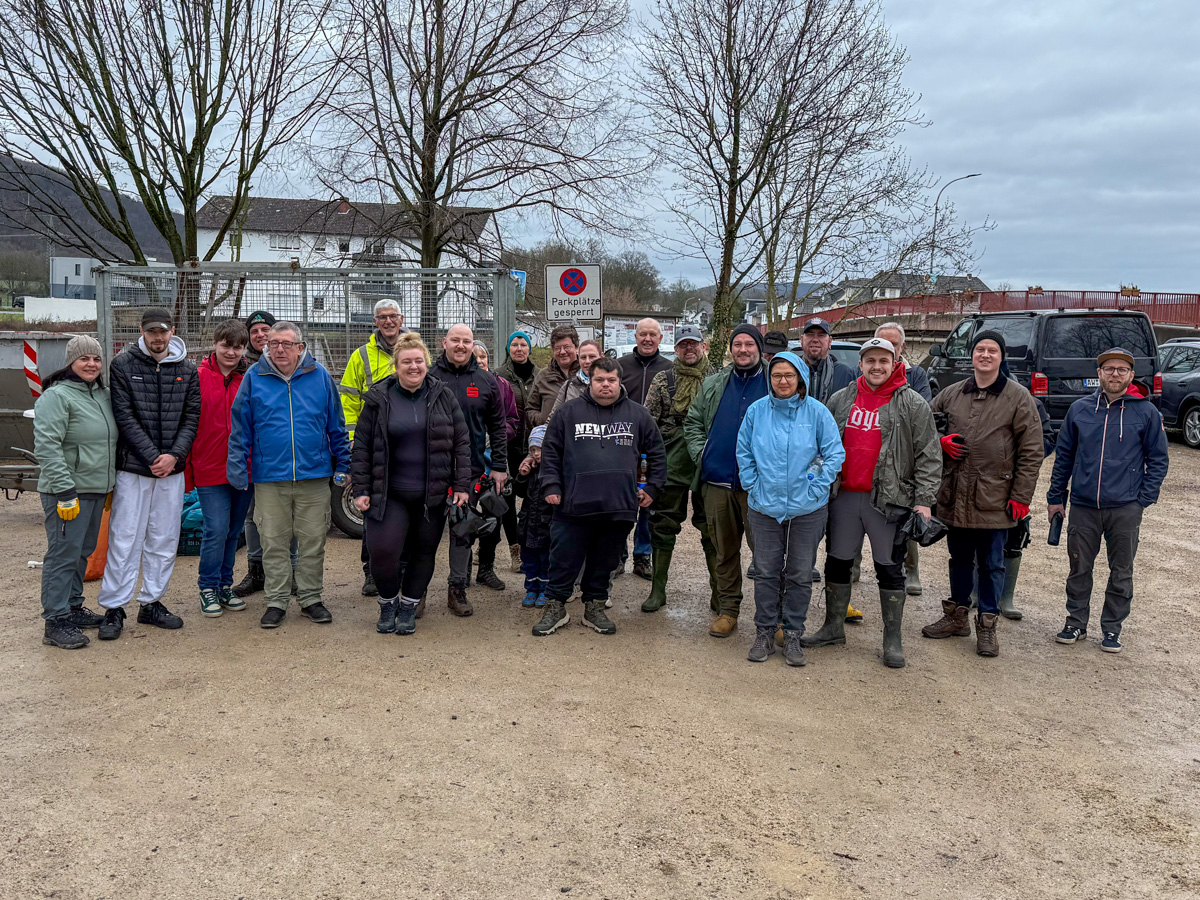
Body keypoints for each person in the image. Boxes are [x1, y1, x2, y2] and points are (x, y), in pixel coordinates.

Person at [803, 338, 941, 668]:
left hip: (889, 500)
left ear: (895, 363)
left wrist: (924, 500)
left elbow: (929, 454)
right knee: (837, 561)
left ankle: (892, 639)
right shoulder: (841, 398)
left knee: (889, 567)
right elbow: (821, 445)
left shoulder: (912, 403)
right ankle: (833, 627)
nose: (877, 366)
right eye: (870, 360)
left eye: (883, 360)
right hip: (845, 496)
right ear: (861, 364)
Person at [922, 330, 1043, 657]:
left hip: (995, 497)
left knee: (992, 564)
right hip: (955, 493)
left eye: (992, 350)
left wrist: (1021, 496)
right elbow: (924, 426)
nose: (985, 355)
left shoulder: (1018, 397)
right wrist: (940, 442)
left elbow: (1032, 450)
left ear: (1001, 357)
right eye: (980, 349)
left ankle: (987, 624)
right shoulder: (952, 393)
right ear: (972, 355)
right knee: (959, 559)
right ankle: (957, 616)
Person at [227, 322, 352, 628]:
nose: (279, 349)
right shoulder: (254, 377)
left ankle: (310, 598)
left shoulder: (319, 376)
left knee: (313, 541)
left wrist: (344, 464)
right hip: (270, 477)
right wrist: (237, 467)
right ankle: (277, 601)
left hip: (313, 475)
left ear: (300, 347)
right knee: (273, 542)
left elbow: (336, 424)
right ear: (265, 347)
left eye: (286, 343)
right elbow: (240, 427)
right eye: (273, 344)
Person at [533, 357, 666, 637]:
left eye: (611, 380)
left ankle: (594, 606)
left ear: (619, 382)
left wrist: (652, 488)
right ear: (589, 382)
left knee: (604, 561)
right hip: (572, 505)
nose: (606, 385)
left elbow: (657, 453)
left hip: (619, 505)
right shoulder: (567, 413)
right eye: (599, 380)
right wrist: (551, 486)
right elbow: (551, 452)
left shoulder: (639, 415)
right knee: (563, 559)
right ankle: (556, 606)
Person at [1047, 348, 1169, 653]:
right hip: (1084, 505)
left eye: (1122, 369)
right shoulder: (1080, 410)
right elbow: (1064, 457)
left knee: (1121, 571)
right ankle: (1076, 622)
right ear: (1099, 373)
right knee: (1079, 568)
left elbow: (1158, 459)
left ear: (1131, 375)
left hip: (1125, 507)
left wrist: (1143, 499)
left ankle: (1112, 629)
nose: (1115, 374)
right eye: (1109, 369)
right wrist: (1056, 497)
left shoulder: (1145, 412)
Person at [351, 333, 471, 636]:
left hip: (431, 495)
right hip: (388, 493)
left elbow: (461, 442)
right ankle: (388, 602)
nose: (413, 366)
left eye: (419, 361)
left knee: (423, 552)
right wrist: (361, 489)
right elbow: (362, 446)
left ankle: (408, 606)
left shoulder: (443, 396)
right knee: (383, 552)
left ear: (426, 364)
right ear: (396, 366)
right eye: (407, 362)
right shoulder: (379, 399)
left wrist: (461, 485)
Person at [96, 308, 200, 641]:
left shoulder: (187, 369)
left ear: (172, 331)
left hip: (171, 471)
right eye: (152, 331)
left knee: (164, 538)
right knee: (125, 538)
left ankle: (152, 601)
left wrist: (174, 456)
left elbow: (191, 418)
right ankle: (114, 607)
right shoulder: (123, 365)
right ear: (142, 331)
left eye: (163, 331)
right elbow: (124, 416)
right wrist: (153, 457)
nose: (158, 337)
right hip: (135, 469)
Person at [737, 350, 844, 666]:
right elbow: (744, 452)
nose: (782, 381)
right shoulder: (757, 412)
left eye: (789, 375)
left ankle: (793, 632)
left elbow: (834, 453)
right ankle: (765, 632)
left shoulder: (817, 412)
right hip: (764, 506)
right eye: (776, 375)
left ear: (800, 378)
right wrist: (752, 484)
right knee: (766, 571)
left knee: (799, 572)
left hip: (807, 507)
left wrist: (816, 486)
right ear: (769, 379)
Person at [683, 325, 768, 638]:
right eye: (737, 344)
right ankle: (728, 610)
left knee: (768, 555)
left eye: (749, 344)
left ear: (759, 348)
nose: (743, 350)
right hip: (717, 482)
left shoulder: (774, 381)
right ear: (731, 349)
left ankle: (773, 615)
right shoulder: (714, 383)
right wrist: (702, 454)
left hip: (760, 487)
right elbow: (693, 422)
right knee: (724, 552)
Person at [32, 335, 116, 649]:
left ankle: (73, 606)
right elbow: (47, 446)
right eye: (84, 359)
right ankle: (55, 620)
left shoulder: (102, 395)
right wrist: (65, 490)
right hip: (68, 491)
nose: (91, 364)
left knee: (82, 551)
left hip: (96, 488)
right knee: (63, 554)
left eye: (96, 359)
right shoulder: (57, 397)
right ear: (71, 362)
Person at [430, 324, 509, 614]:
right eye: (455, 340)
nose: (461, 346)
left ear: (473, 345)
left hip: (470, 470)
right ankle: (417, 591)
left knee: (462, 531)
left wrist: (499, 465)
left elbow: (498, 426)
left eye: (466, 341)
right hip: (432, 470)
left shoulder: (486, 381)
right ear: (444, 342)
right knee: (426, 534)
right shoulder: (429, 376)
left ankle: (457, 590)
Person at [642, 324, 719, 613]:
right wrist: (648, 461)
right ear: (675, 349)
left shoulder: (717, 378)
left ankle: (719, 592)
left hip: (706, 458)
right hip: (671, 458)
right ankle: (658, 590)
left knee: (711, 526)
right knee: (663, 523)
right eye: (683, 344)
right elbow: (648, 422)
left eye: (693, 343)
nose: (689, 348)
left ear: (703, 346)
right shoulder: (663, 379)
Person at [340, 299, 409, 597]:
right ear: (375, 322)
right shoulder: (361, 356)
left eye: (393, 316)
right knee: (373, 509)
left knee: (405, 508)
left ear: (401, 318)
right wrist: (353, 438)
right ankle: (371, 570)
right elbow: (347, 399)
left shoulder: (414, 349)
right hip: (373, 444)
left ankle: (401, 569)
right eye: (383, 317)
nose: (388, 322)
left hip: (407, 444)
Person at [188, 319, 253, 618]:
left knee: (233, 530)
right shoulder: (197, 377)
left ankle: (225, 584)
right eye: (226, 346)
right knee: (215, 529)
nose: (232, 352)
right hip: (209, 466)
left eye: (238, 347)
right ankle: (208, 586)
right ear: (215, 344)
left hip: (243, 467)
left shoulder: (249, 378)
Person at [232, 309, 297, 598]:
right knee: (252, 514)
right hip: (250, 454)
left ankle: (291, 571)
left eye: (265, 330)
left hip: (281, 458)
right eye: (254, 331)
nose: (260, 335)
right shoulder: (240, 365)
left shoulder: (292, 365)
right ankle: (256, 570)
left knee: (289, 515)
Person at [873, 321, 932, 599]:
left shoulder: (916, 375)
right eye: (883, 343)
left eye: (893, 345)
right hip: (871, 459)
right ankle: (855, 567)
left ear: (902, 347)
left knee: (903, 522)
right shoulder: (866, 373)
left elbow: (921, 411)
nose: (889, 349)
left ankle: (912, 569)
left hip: (900, 459)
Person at [616, 318, 672, 579]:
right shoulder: (621, 366)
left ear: (660, 338)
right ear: (635, 336)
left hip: (654, 445)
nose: (647, 339)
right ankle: (618, 556)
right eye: (643, 334)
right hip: (622, 445)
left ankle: (642, 556)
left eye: (653, 334)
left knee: (649, 503)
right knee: (620, 501)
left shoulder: (669, 369)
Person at [472, 339, 521, 585]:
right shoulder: (459, 385)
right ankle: (461, 571)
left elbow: (513, 420)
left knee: (495, 515)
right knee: (464, 515)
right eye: (474, 357)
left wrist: (496, 435)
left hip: (495, 461)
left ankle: (486, 568)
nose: (479, 360)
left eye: (482, 356)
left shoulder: (502, 385)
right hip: (467, 461)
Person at [496, 330, 542, 573]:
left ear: (529, 349)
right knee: (506, 501)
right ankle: (515, 550)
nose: (519, 349)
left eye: (523, 344)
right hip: (508, 448)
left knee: (533, 500)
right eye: (514, 344)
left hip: (534, 449)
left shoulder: (540, 376)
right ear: (508, 349)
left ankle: (531, 547)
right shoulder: (499, 376)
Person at [515, 425, 553, 608]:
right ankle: (531, 588)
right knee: (529, 558)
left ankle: (545, 590)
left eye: (540, 449)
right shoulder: (530, 470)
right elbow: (520, 492)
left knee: (546, 559)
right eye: (533, 450)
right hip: (528, 524)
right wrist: (522, 475)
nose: (537, 454)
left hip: (547, 524)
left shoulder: (554, 470)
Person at [526, 324, 579, 428]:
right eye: (557, 348)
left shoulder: (587, 374)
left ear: (576, 347)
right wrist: (542, 419)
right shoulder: (543, 376)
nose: (562, 352)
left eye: (567, 347)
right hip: (551, 434)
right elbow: (530, 409)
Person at [549, 339, 603, 416]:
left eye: (592, 357)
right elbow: (554, 417)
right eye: (583, 357)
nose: (587, 361)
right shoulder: (569, 386)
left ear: (602, 357)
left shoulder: (612, 384)